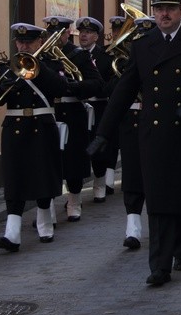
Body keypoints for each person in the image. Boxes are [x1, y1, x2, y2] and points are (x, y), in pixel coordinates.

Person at [87, 0, 181, 286]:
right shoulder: (143, 45)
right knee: (160, 201)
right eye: (159, 9)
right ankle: (159, 266)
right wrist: (103, 134)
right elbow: (123, 92)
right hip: (155, 135)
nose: (164, 13)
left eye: (170, 8)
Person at [0, 23, 68, 251]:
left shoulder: (51, 64)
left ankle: (45, 224)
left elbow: (62, 88)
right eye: (20, 42)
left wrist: (38, 69)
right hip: (14, 127)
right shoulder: (7, 67)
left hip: (42, 126)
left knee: (43, 174)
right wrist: (6, 83)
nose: (23, 45)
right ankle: (12, 234)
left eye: (29, 42)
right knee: (14, 178)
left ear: (39, 43)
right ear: (15, 43)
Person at [42, 15, 104, 222]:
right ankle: (46, 208)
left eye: (58, 33)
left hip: (72, 111)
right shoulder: (40, 56)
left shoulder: (78, 55)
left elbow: (96, 83)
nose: (53, 37)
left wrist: (73, 86)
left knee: (74, 161)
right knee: (47, 163)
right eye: (50, 33)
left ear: (68, 33)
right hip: (48, 113)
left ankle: (74, 201)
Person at [119, 16, 155, 250]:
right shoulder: (125, 61)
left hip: (156, 120)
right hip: (131, 121)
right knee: (132, 174)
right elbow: (112, 91)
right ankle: (132, 228)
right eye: (136, 36)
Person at [76, 16, 117, 203]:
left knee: (99, 146)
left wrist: (98, 89)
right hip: (78, 106)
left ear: (96, 37)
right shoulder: (72, 55)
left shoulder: (106, 57)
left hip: (100, 104)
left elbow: (112, 81)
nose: (83, 35)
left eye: (88, 33)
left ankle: (100, 181)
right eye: (81, 32)